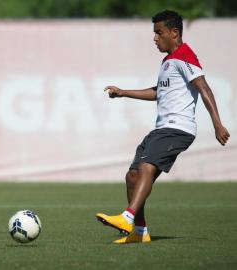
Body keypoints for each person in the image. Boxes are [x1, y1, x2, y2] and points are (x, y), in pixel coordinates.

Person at [96, 10, 230, 244]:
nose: (155, 38)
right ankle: (139, 232)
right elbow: (159, 92)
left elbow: (204, 88)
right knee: (133, 175)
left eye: (159, 32)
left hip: (178, 128)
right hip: (161, 129)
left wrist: (217, 123)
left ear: (174, 33)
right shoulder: (168, 61)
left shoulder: (185, 55)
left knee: (147, 166)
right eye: (154, 33)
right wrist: (124, 92)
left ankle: (127, 217)